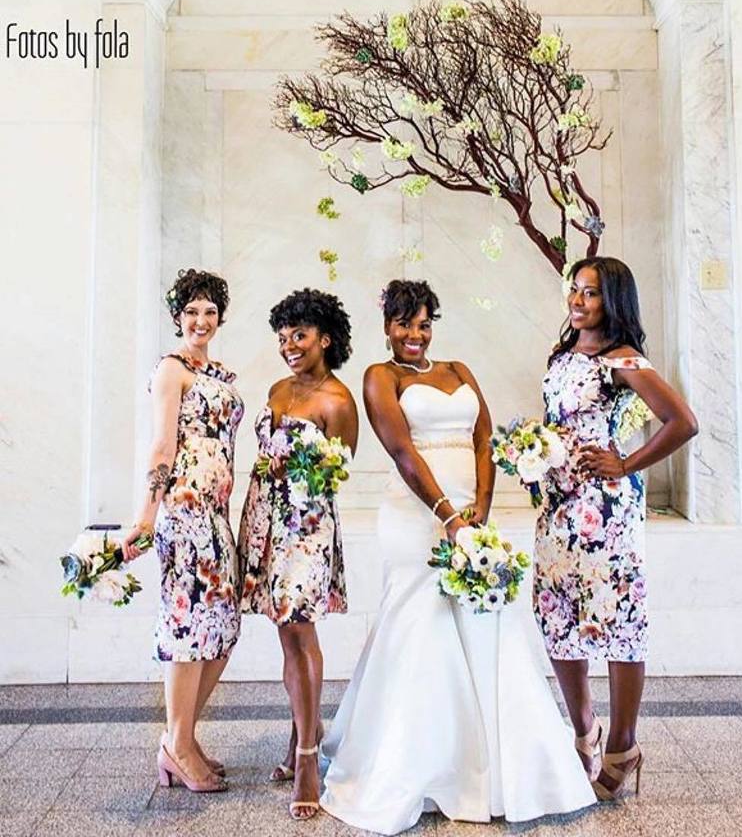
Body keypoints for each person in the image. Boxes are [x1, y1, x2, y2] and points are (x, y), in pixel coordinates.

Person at [320, 279, 594, 835]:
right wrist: (447, 515)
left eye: (423, 324)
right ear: (387, 327)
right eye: (404, 324)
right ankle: (422, 764)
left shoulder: (459, 370)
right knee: (422, 628)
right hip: (417, 518)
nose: (415, 335)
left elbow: (484, 438)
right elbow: (402, 450)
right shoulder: (381, 377)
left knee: (486, 627)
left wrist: (481, 511)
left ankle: (495, 765)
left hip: (472, 517)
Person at [536, 256, 698, 799]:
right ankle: (584, 731)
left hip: (605, 511)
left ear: (612, 301)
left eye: (590, 293)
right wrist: (532, 456)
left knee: (617, 620)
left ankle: (624, 744)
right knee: (558, 616)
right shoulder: (562, 355)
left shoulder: (623, 359)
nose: (577, 301)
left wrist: (625, 464)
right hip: (558, 506)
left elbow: (683, 422)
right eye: (575, 290)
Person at [237, 288, 358, 821]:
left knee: (300, 630)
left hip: (306, 527)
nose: (289, 346)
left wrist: (302, 471)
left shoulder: (339, 401)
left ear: (325, 339)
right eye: (283, 337)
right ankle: (302, 732)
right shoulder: (277, 389)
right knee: (284, 632)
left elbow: (338, 471)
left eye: (300, 336)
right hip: (264, 517)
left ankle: (308, 756)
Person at [122, 268, 244, 793]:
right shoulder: (171, 370)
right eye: (191, 311)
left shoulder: (219, 374)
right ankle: (178, 745)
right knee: (189, 628)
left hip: (216, 516)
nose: (201, 320)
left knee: (221, 628)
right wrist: (146, 518)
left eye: (210, 311)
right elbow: (162, 446)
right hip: (185, 514)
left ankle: (183, 739)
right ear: (177, 316)